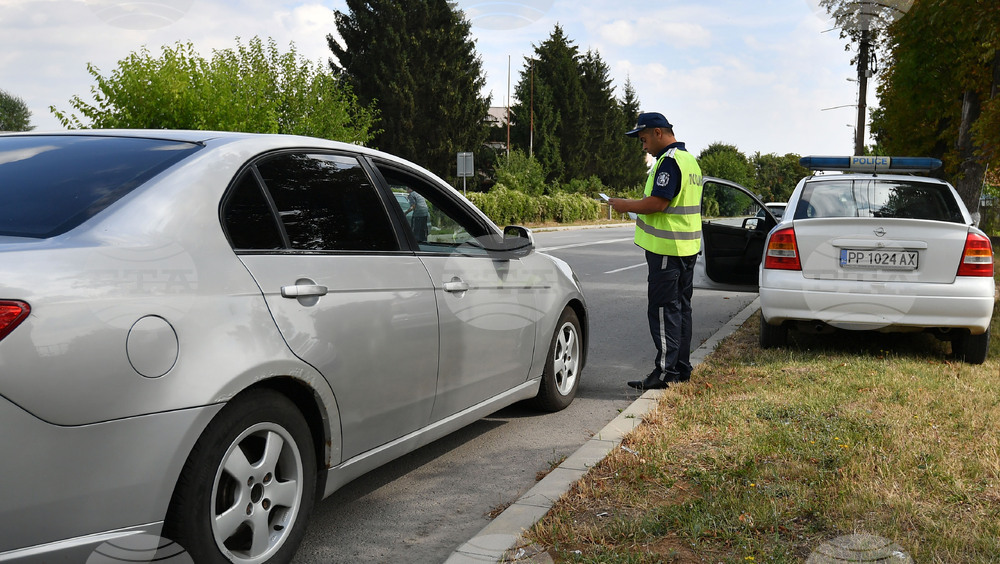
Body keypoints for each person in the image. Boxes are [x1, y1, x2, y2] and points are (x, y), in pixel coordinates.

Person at [608, 112, 703, 390]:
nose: (644, 146)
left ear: (659, 133)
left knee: (663, 311)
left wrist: (626, 205)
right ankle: (681, 369)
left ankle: (664, 374)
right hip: (686, 249)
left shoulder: (669, 162)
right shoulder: (690, 161)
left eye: (644, 139)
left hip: (667, 250)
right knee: (681, 310)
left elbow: (658, 203)